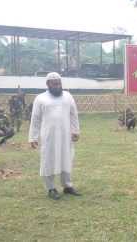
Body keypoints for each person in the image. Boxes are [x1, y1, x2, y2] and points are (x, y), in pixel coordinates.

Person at [28, 72, 81, 200]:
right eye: (54, 83)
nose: (58, 86)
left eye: (59, 83)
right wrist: (33, 138)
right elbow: (35, 119)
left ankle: (67, 186)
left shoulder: (68, 96)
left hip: (65, 135)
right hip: (49, 136)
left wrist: (75, 131)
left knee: (66, 159)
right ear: (48, 84)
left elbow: (73, 115)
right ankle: (51, 188)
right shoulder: (40, 98)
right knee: (48, 161)